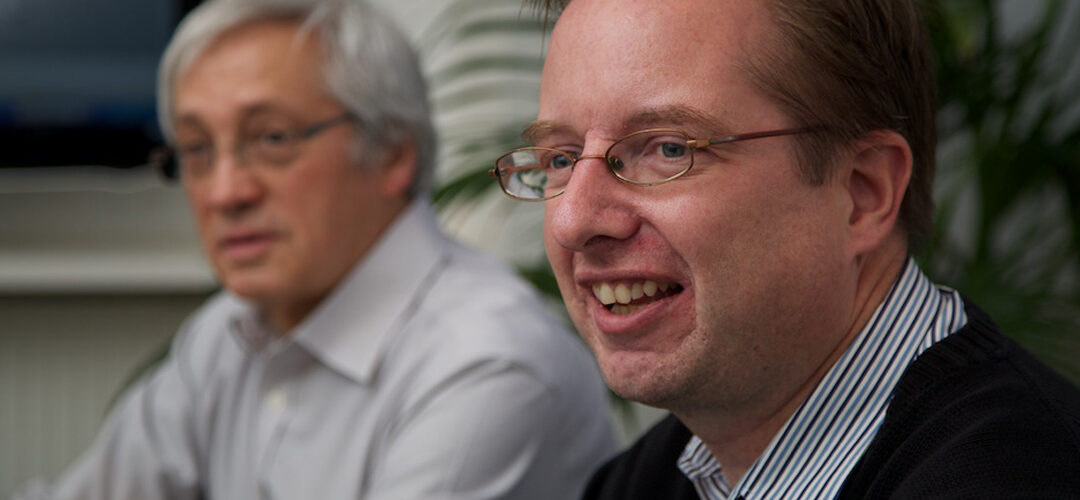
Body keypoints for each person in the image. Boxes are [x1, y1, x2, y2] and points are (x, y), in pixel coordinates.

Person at [17, 0, 616, 498]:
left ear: (392, 152)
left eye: (272, 138)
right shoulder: (225, 335)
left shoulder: (487, 364)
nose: (224, 192)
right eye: (197, 149)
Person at [489, 0, 1080, 498]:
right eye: (561, 159)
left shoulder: (1018, 476)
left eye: (669, 149)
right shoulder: (646, 480)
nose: (572, 221)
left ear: (862, 193)